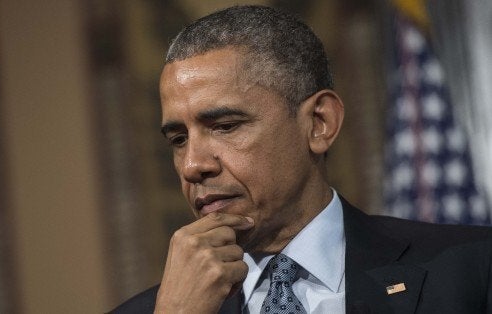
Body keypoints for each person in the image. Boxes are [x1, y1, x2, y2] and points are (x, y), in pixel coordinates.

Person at [112, 5, 492, 314]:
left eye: (226, 126)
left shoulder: (471, 270)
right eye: (178, 139)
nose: (193, 165)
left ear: (319, 123)